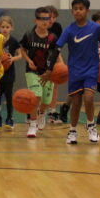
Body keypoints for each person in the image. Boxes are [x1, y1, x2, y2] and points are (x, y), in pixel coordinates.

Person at [51, 0, 100, 145]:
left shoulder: (95, 28)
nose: (78, 11)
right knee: (76, 103)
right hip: (75, 70)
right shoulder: (69, 30)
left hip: (91, 69)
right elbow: (57, 48)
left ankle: (91, 125)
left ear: (87, 11)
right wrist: (50, 69)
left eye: (81, 8)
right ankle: (72, 131)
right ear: (72, 11)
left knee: (88, 98)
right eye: (75, 9)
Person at [19, 7, 61, 138]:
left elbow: (56, 54)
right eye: (41, 18)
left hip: (48, 72)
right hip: (32, 71)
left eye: (47, 19)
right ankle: (32, 124)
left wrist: (61, 66)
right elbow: (22, 49)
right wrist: (28, 60)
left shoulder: (53, 38)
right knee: (35, 95)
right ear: (35, 20)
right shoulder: (29, 35)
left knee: (46, 100)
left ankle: (42, 113)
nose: (44, 21)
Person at [0, 15, 22, 130]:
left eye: (7, 27)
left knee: (8, 97)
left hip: (9, 74)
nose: (5, 29)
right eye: (3, 27)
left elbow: (20, 55)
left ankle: (9, 118)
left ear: (11, 28)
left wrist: (12, 59)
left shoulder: (14, 41)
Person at [46, 5, 65, 123]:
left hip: (54, 55)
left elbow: (58, 46)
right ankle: (34, 112)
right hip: (41, 57)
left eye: (54, 17)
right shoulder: (40, 27)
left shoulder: (57, 27)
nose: (52, 20)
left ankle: (52, 111)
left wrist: (60, 61)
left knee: (55, 83)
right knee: (41, 85)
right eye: (49, 17)